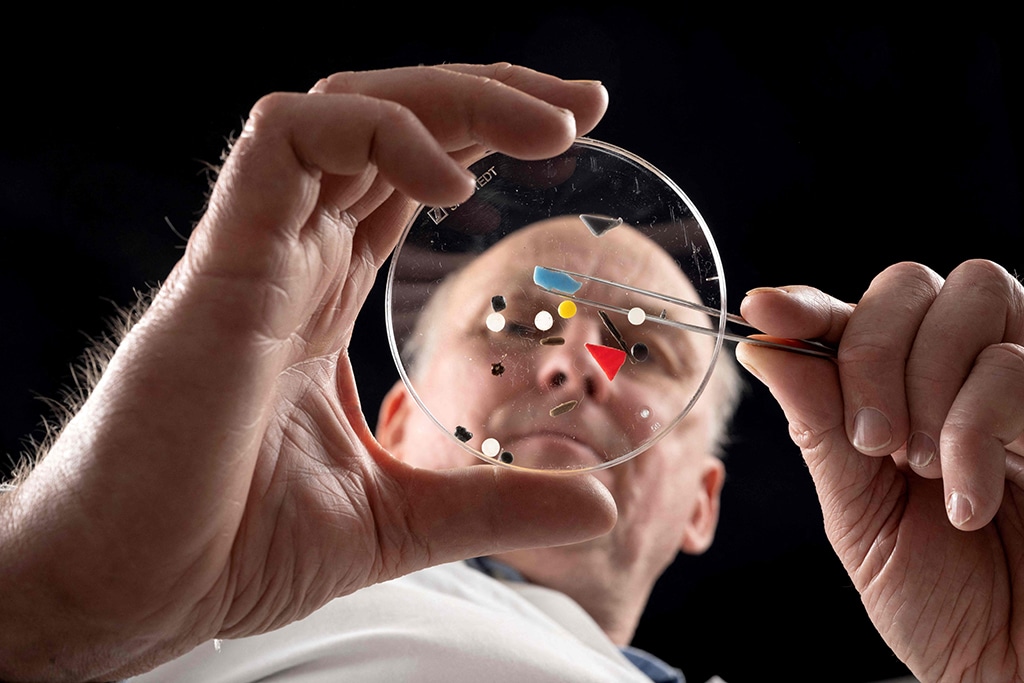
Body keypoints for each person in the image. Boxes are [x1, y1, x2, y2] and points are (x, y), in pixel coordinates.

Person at [0, 63, 1020, 683]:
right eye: (520, 320)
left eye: (648, 348)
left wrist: (1002, 657)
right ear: (392, 421)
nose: (581, 355)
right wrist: (59, 592)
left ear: (700, 502)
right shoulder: (185, 609)